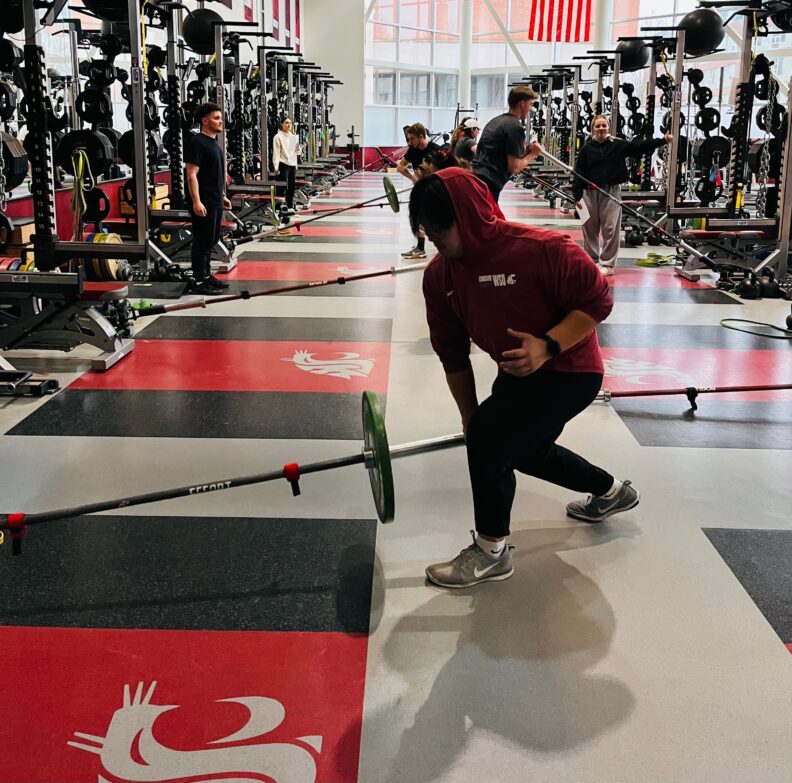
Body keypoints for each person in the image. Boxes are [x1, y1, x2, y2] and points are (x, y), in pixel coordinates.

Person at [410, 169, 640, 589]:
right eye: (428, 227)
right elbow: (452, 356)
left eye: (442, 225)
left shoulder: (542, 250)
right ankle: (611, 492)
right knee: (521, 448)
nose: (435, 236)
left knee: (493, 438)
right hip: (518, 374)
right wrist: (468, 418)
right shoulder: (440, 277)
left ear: (470, 214)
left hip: (571, 370)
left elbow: (598, 301)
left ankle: (491, 550)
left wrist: (548, 346)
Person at [573, 115, 673, 277]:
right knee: (589, 229)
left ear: (608, 127)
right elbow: (578, 173)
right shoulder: (586, 149)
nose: (600, 129)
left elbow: (638, 146)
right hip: (589, 193)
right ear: (592, 129)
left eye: (603, 125)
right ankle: (591, 261)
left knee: (611, 229)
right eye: (597, 126)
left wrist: (663, 140)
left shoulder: (617, 145)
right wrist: (577, 197)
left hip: (611, 192)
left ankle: (607, 264)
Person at [185, 102, 232, 294]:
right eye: (216, 118)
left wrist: (222, 196)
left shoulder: (213, 143)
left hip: (214, 199)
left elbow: (214, 174)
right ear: (204, 121)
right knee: (202, 241)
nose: (221, 121)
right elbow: (191, 174)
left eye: (221, 118)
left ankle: (206, 275)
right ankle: (199, 281)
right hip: (203, 201)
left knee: (211, 240)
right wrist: (196, 201)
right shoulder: (197, 142)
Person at [471, 85, 543, 202]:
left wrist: (526, 152)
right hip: (488, 182)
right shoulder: (515, 127)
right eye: (530, 104)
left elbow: (500, 154)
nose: (531, 109)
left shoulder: (497, 121)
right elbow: (514, 167)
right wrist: (534, 153)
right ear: (522, 103)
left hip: (477, 177)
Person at [397, 122, 440, 259]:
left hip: (434, 191)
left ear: (421, 136)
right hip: (420, 190)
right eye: (409, 139)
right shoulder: (413, 150)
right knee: (417, 219)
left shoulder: (435, 151)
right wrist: (413, 178)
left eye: (412, 139)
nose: (410, 142)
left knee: (433, 220)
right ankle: (420, 248)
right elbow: (400, 167)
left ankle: (444, 248)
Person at [272, 116, 301, 216]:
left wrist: (298, 148)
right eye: (286, 123)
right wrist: (276, 166)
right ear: (281, 124)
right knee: (281, 187)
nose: (289, 125)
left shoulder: (293, 137)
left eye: (290, 123)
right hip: (282, 164)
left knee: (291, 187)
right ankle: (278, 207)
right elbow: (276, 152)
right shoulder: (278, 137)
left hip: (292, 164)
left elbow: (297, 153)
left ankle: (289, 206)